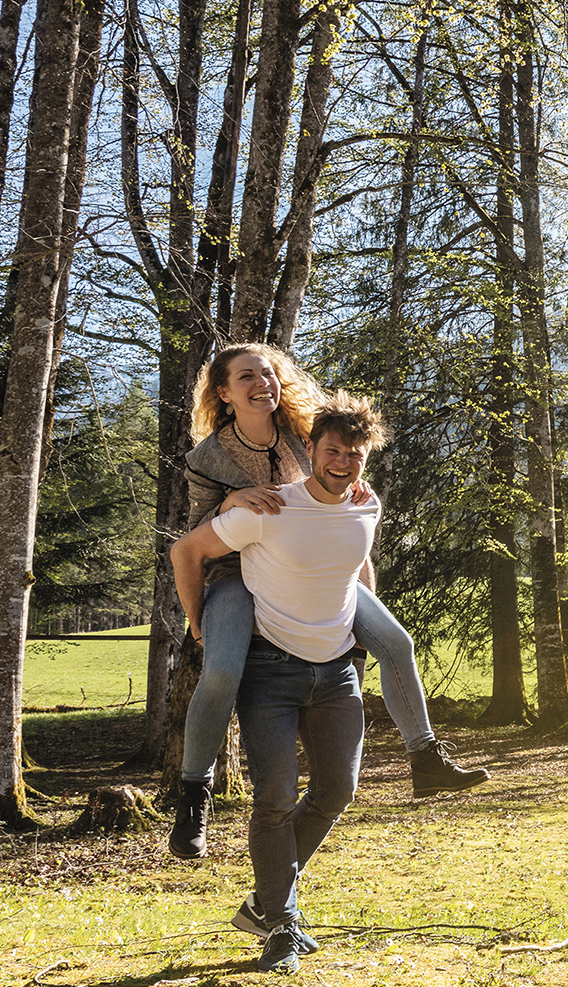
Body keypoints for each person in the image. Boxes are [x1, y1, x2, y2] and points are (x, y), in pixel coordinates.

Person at [170, 343, 488, 866]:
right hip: (235, 576)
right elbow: (196, 538)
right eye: (246, 376)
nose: (260, 383)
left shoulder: (304, 432)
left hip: (314, 573)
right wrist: (200, 617)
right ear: (224, 392)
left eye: (268, 373)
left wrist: (348, 487)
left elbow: (337, 471)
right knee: (223, 670)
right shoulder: (207, 458)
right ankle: (193, 794)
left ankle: (426, 756)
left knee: (395, 640)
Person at [171, 392, 387, 973]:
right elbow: (188, 548)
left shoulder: (363, 504)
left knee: (337, 791)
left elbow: (353, 560)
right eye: (333, 450)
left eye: (354, 454)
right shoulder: (259, 500)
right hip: (265, 657)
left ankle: (264, 902)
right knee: (272, 798)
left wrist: (365, 615)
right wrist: (197, 619)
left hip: (337, 669)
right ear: (311, 449)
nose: (342, 462)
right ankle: (281, 922)